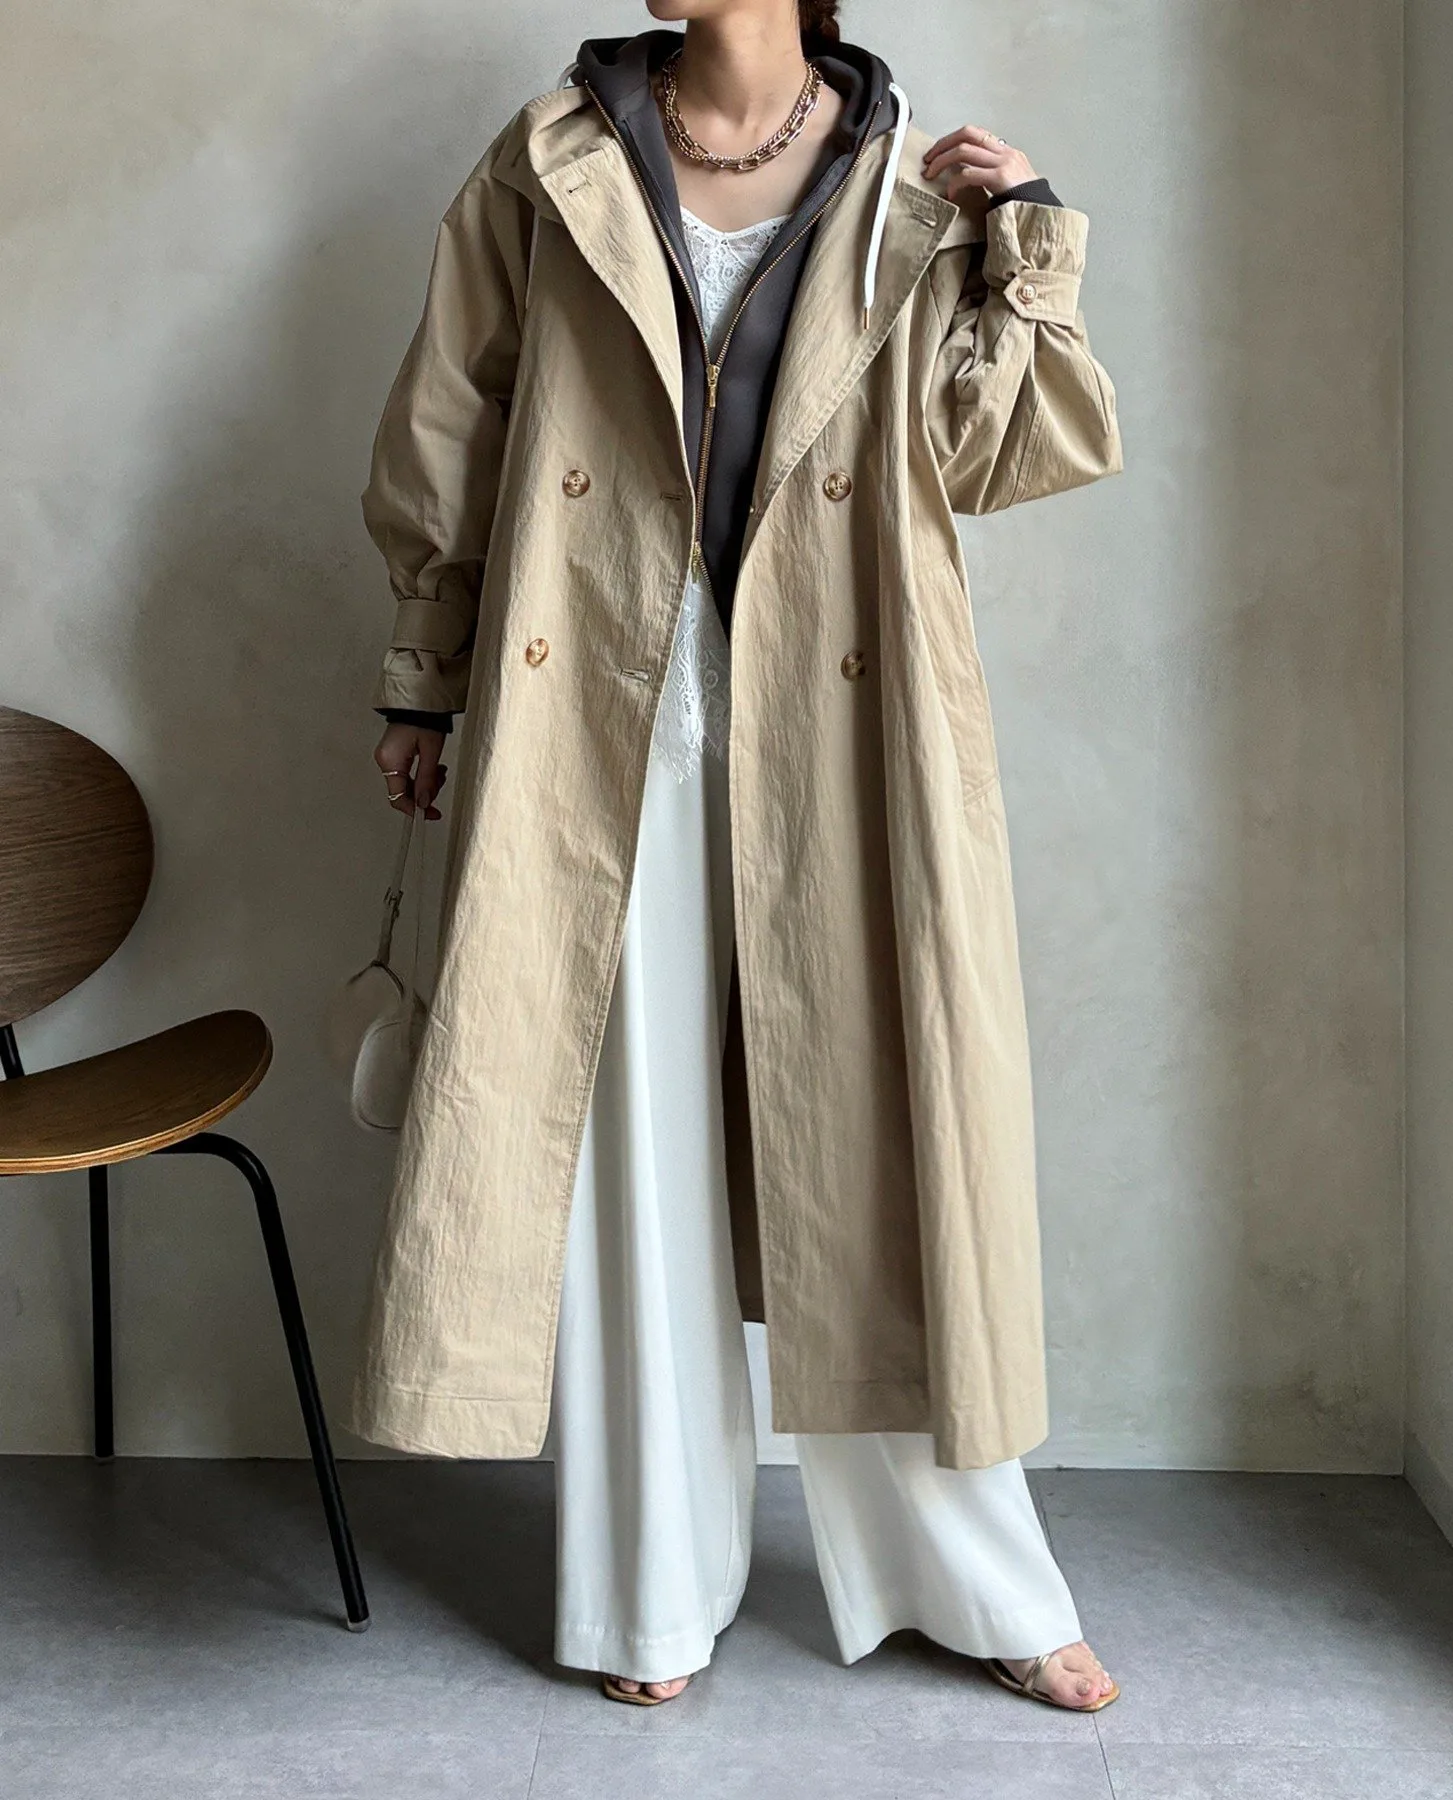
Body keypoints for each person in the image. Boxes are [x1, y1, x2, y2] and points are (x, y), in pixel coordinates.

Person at [352, 0, 1124, 1712]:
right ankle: (651, 1593)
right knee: (632, 1157)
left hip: (840, 728)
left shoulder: (906, 186)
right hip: (590, 717)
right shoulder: (548, 162)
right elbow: (450, 426)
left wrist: (1027, 244)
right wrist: (421, 680)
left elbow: (1006, 458)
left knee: (881, 1151)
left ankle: (979, 1581)